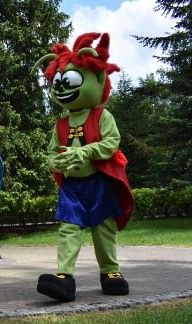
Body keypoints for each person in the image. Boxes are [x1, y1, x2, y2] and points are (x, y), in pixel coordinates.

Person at [31, 32, 133, 302]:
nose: (62, 88)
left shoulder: (102, 115)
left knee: (103, 229)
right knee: (68, 230)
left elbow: (112, 143)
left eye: (70, 81)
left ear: (97, 80)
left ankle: (110, 272)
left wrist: (85, 152)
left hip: (99, 182)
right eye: (57, 83)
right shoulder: (60, 124)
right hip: (73, 187)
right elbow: (52, 152)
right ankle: (64, 279)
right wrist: (57, 161)